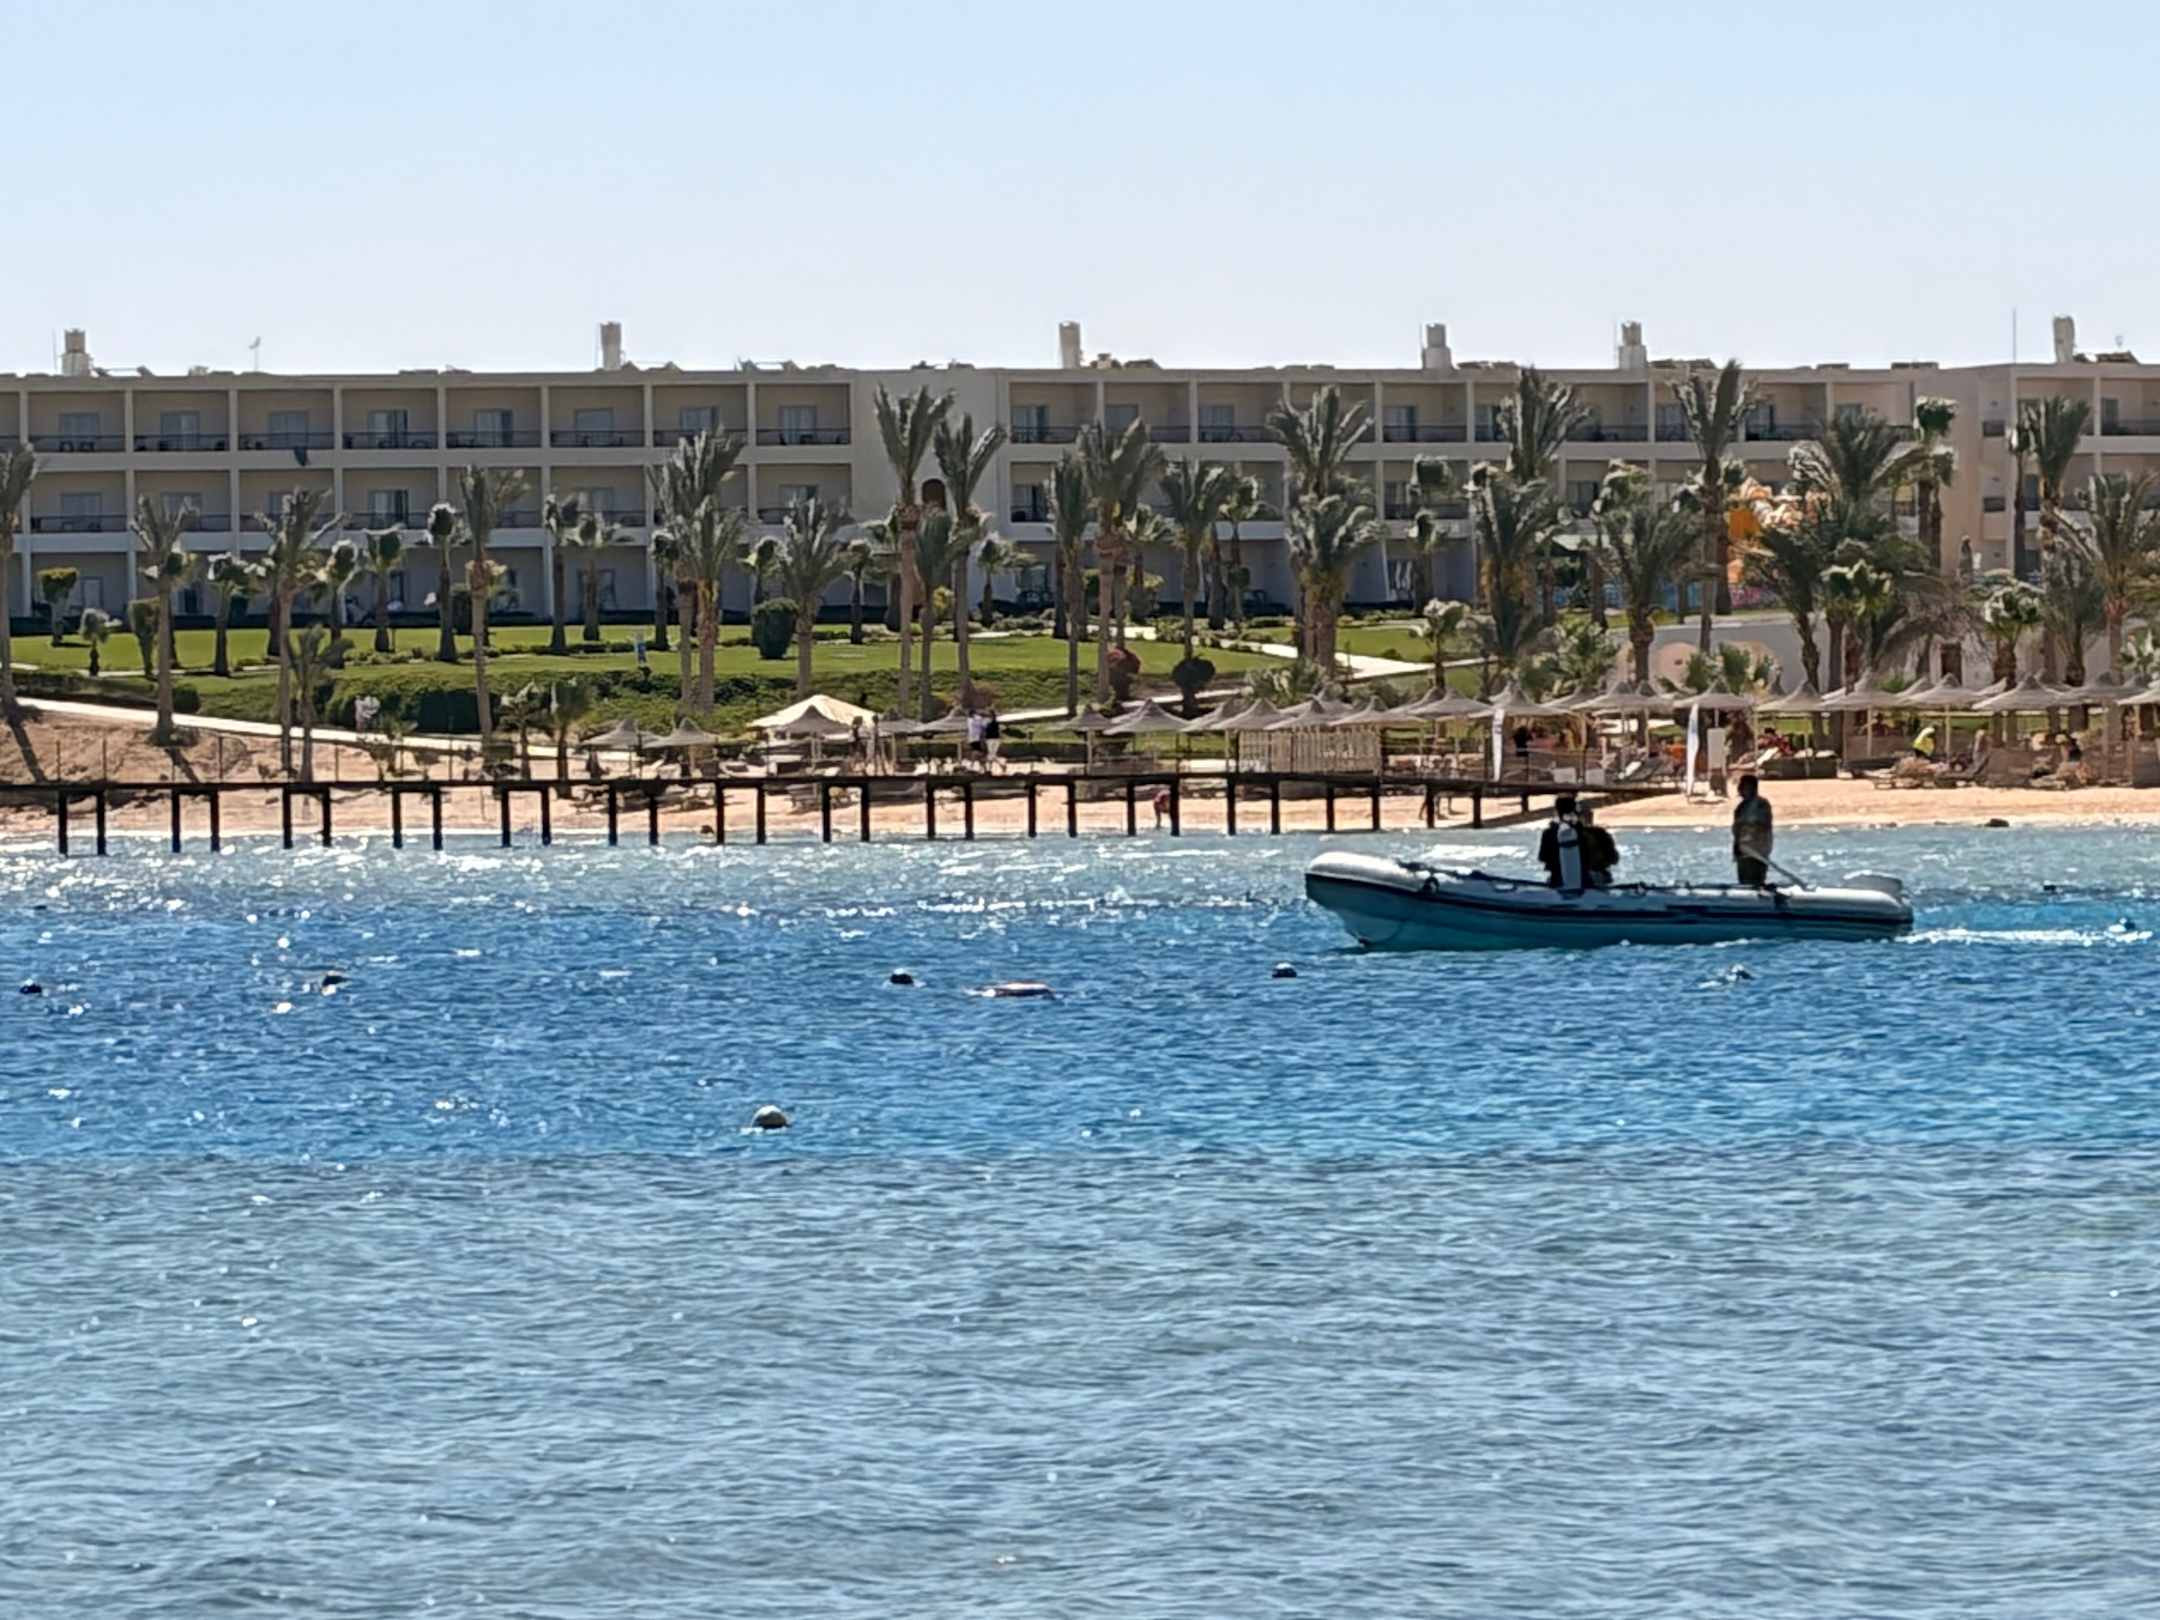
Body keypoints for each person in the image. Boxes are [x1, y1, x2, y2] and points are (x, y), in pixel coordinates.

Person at [1537, 793, 1586, 890]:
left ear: (1556, 811)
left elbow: (1542, 857)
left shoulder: (1548, 833)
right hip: (1585, 881)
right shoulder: (1586, 833)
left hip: (1557, 879)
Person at [1732, 773, 1774, 886]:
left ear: (1751, 787)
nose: (1739, 788)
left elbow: (1761, 824)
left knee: (1755, 882)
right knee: (1744, 883)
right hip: (1743, 853)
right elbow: (1738, 830)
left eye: (1743, 785)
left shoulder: (1761, 804)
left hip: (1757, 853)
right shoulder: (1741, 806)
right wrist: (1737, 848)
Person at [1578, 804, 1619, 887]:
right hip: (1597, 875)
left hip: (1579, 876)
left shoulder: (1565, 835)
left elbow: (1614, 858)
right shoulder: (1600, 833)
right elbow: (1614, 858)